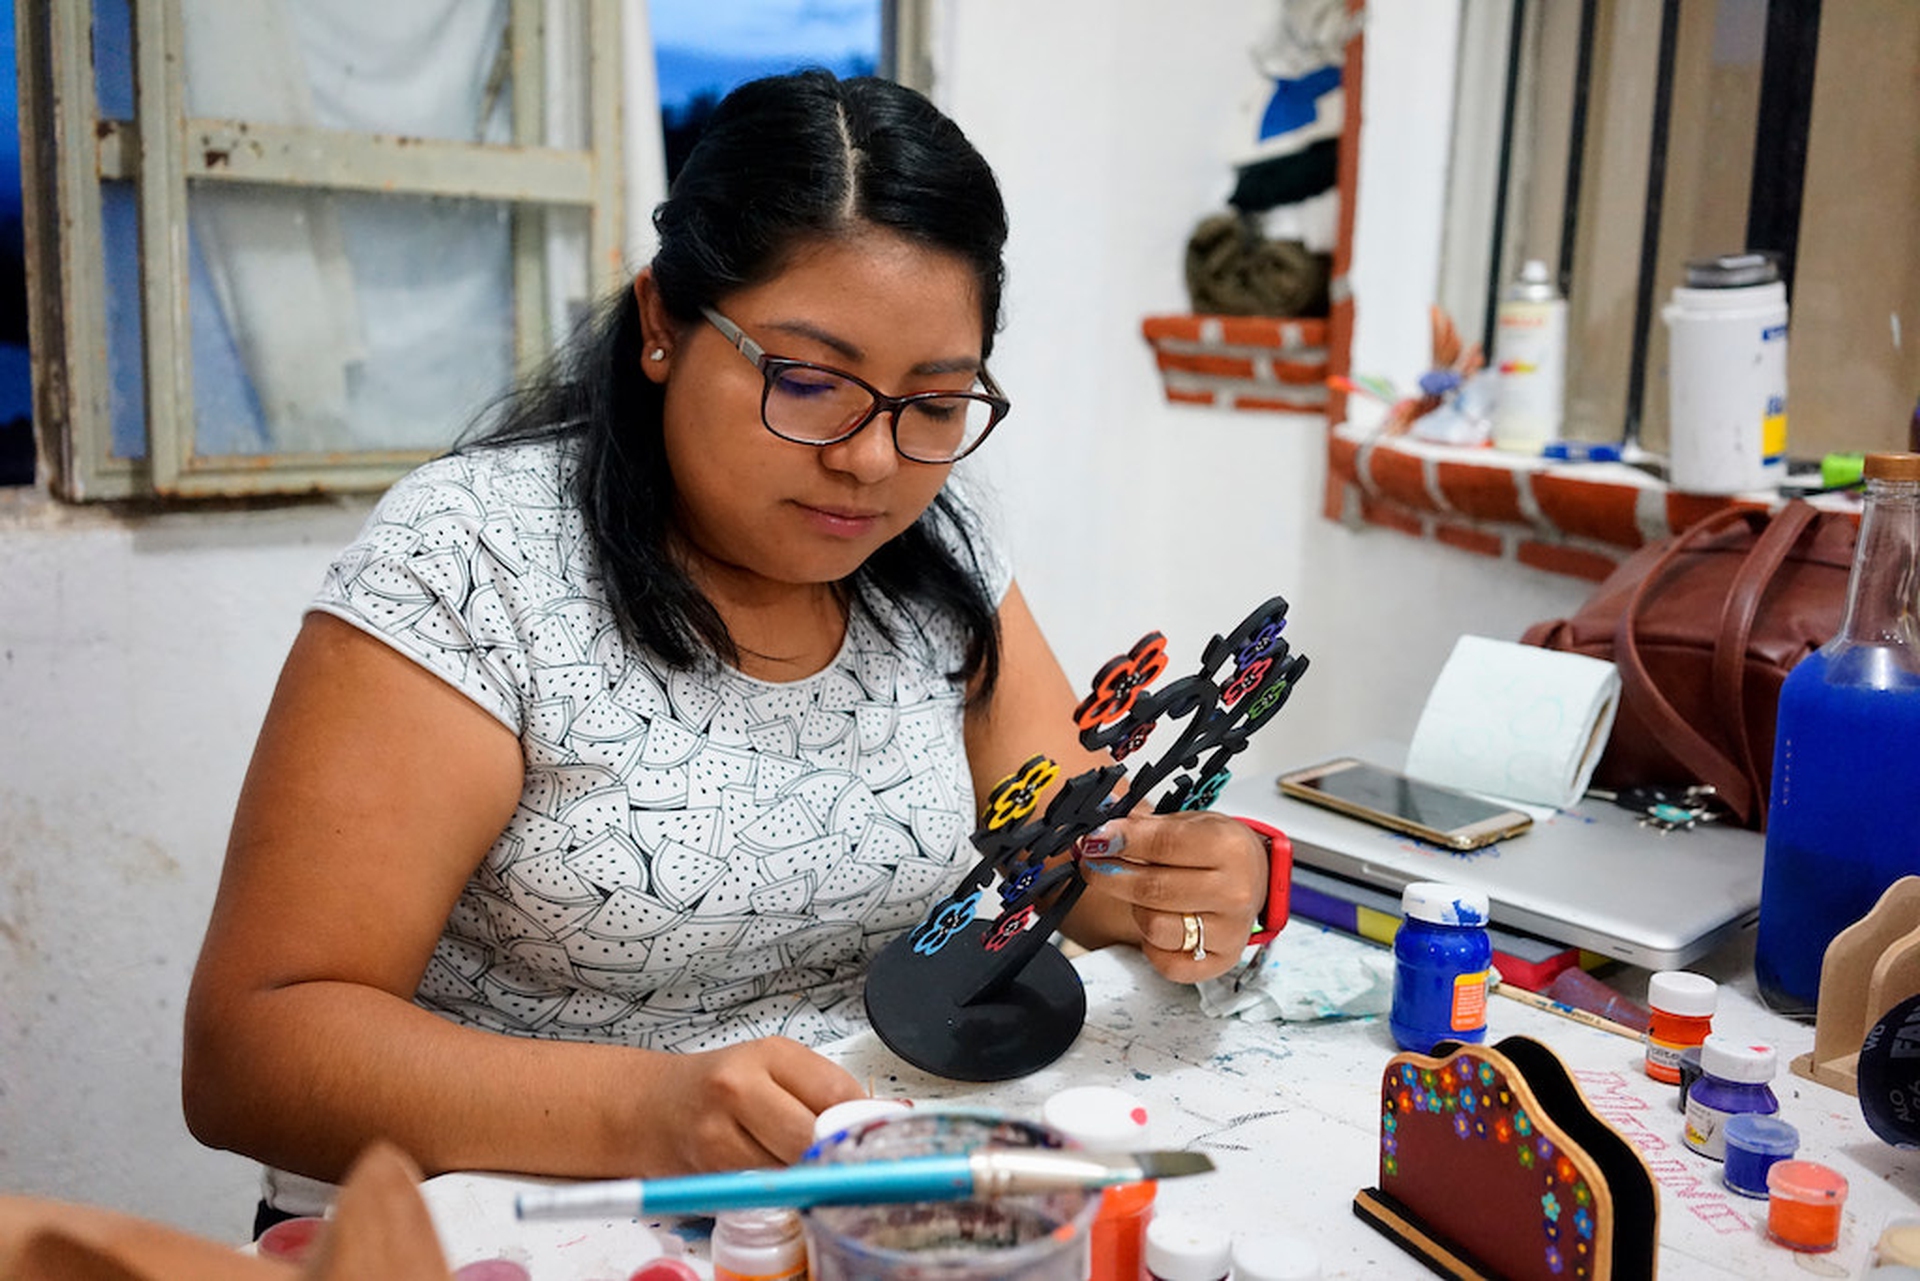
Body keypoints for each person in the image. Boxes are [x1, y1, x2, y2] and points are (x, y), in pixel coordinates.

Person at [182, 69, 1274, 1226]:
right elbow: (254, 1052)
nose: (870, 460)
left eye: (936, 403)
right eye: (807, 381)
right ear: (662, 324)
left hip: (835, 1207)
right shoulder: (474, 564)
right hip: (513, 1223)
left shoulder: (937, 556)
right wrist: (646, 1111)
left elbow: (1064, 873)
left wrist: (1192, 889)